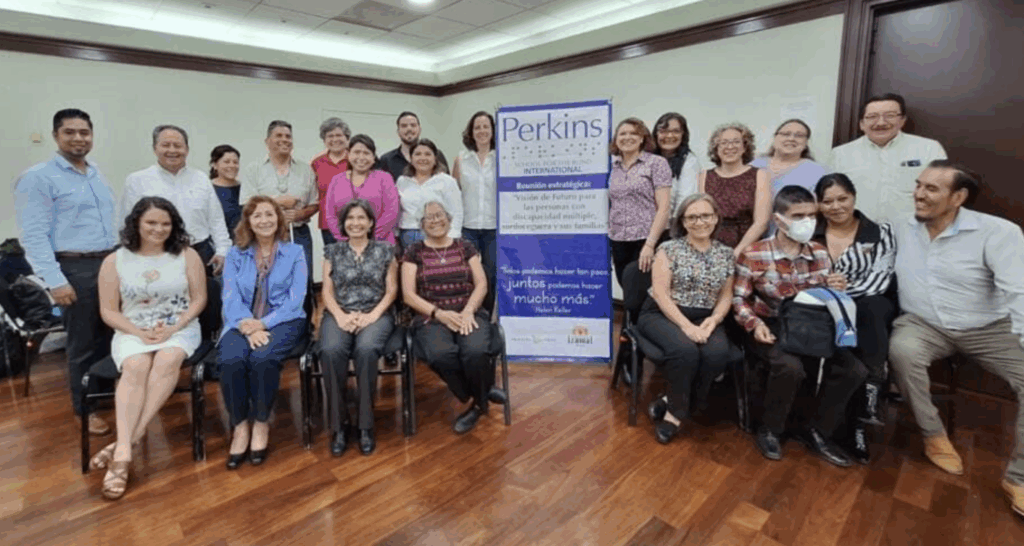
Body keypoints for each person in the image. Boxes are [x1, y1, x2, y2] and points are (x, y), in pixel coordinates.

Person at [887, 160, 1024, 516]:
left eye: (931, 189)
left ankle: (1020, 479)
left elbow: (1019, 292)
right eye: (918, 185)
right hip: (923, 323)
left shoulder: (998, 233)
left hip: (989, 328)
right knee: (902, 351)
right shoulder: (900, 226)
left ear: (958, 197)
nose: (919, 194)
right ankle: (933, 435)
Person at [733, 185, 867, 467]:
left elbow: (823, 296)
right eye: (798, 216)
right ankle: (771, 429)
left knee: (854, 369)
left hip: (809, 323)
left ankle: (818, 430)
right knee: (790, 367)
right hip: (769, 322)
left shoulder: (819, 253)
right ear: (779, 219)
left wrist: (836, 288)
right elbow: (739, 299)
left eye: (811, 215)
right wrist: (754, 324)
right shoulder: (754, 253)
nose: (807, 222)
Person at [91, 197, 206, 500]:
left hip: (178, 327)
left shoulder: (187, 255)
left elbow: (199, 300)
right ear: (137, 224)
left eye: (166, 223)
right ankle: (127, 443)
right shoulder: (114, 261)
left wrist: (175, 326)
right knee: (136, 365)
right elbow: (108, 311)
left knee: (168, 359)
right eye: (151, 222)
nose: (159, 229)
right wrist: (137, 332)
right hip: (132, 329)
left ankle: (124, 447)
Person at [14, 108, 117, 436]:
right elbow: (33, 236)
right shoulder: (39, 178)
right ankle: (84, 409)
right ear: (56, 135)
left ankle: (103, 393)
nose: (78, 138)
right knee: (83, 341)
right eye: (70, 132)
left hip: (108, 263)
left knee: (109, 334)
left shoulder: (95, 173)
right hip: (73, 267)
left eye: (84, 132)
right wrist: (55, 281)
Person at [637, 193, 737, 444]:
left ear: (716, 218)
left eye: (705, 215)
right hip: (662, 313)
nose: (699, 222)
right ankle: (675, 415)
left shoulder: (727, 254)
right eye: (691, 217)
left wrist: (715, 319)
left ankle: (671, 399)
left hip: (706, 316)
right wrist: (687, 327)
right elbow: (660, 294)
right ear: (682, 221)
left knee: (717, 355)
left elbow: (726, 295)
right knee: (685, 351)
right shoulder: (668, 249)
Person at [811, 173, 897, 464]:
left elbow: (880, 280)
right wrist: (827, 290)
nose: (836, 206)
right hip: (824, 307)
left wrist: (844, 291)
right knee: (849, 359)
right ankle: (854, 415)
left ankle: (863, 407)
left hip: (866, 308)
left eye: (842, 199)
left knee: (872, 308)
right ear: (819, 204)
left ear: (854, 197)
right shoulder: (811, 232)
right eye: (827, 201)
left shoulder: (879, 231)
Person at [218, 195, 308, 470]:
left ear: (278, 220)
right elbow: (230, 297)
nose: (264, 220)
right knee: (231, 359)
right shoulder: (235, 254)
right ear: (248, 222)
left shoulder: (295, 252)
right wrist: (247, 325)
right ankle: (239, 426)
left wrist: (263, 324)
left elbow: (295, 301)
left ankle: (260, 422)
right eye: (257, 215)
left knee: (262, 358)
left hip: (283, 321)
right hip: (240, 321)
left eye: (270, 214)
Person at [402, 201, 504, 434]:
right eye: (429, 217)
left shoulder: (465, 246)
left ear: (449, 219)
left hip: (469, 311)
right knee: (439, 354)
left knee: (475, 351)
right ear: (421, 224)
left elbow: (481, 284)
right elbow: (408, 295)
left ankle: (477, 405)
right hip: (432, 316)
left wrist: (468, 310)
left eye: (440, 215)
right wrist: (439, 314)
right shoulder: (413, 251)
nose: (436, 220)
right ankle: (481, 393)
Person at [320, 200, 398, 457]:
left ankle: (365, 426)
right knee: (331, 351)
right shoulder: (332, 251)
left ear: (371, 222)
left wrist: (372, 316)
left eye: (361, 218)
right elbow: (327, 291)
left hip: (376, 314)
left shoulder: (386, 250)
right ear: (343, 224)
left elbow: (392, 290)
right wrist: (341, 316)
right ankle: (339, 426)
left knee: (366, 350)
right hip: (339, 313)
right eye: (350, 218)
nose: (356, 223)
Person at [123, 125, 232, 277]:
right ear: (155, 148)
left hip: (200, 251)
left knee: (205, 292)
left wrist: (223, 251)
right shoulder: (137, 180)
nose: (172, 150)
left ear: (187, 149)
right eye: (166, 145)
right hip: (156, 254)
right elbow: (128, 224)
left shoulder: (201, 179)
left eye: (178, 145)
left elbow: (216, 220)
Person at [829, 93, 947, 223]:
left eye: (890, 115)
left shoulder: (929, 148)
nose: (881, 122)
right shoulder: (840, 154)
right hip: (859, 229)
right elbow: (832, 196)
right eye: (872, 117)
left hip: (914, 229)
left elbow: (944, 191)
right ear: (862, 124)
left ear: (902, 120)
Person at [241, 120, 318, 279]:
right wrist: (278, 202)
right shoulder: (253, 170)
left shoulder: (306, 170)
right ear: (267, 141)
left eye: (288, 136)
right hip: (264, 235)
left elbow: (314, 203)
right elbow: (246, 205)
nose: (284, 140)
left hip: (298, 234)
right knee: (267, 280)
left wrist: (301, 214)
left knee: (302, 279)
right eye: (279, 136)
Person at [607, 117, 673, 286]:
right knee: (626, 287)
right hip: (619, 240)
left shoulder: (656, 163)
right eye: (622, 134)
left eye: (633, 133)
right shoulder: (612, 167)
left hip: (647, 238)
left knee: (644, 291)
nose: (627, 137)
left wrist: (650, 245)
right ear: (616, 139)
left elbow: (664, 208)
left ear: (642, 138)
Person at [699, 123, 771, 257]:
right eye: (724, 143)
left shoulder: (760, 175)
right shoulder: (704, 176)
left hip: (748, 247)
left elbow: (761, 222)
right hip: (712, 247)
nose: (730, 147)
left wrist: (737, 252)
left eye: (736, 142)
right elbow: (702, 217)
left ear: (745, 147)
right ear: (716, 148)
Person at [452, 111, 497, 313]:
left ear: (493, 130)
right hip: (467, 227)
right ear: (470, 132)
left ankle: (488, 317)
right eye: (477, 127)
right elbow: (454, 195)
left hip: (494, 227)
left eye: (486, 126)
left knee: (491, 274)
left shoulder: (502, 158)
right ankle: (469, 313)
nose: (482, 131)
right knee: (467, 274)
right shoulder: (461, 159)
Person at [322, 134, 399, 245]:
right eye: (357, 152)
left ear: (373, 157)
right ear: (348, 155)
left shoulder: (384, 178)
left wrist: (369, 239)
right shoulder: (336, 180)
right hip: (345, 245)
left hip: (380, 244)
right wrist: (345, 239)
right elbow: (330, 215)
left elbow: (391, 212)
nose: (361, 157)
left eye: (366, 153)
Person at [395, 139, 463, 248]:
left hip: (438, 234)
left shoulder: (446, 181)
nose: (423, 158)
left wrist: (452, 238)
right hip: (408, 234)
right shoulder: (402, 181)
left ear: (435, 159)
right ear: (411, 159)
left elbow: (457, 212)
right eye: (417, 154)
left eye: (427, 154)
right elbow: (397, 210)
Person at [750, 119, 830, 196]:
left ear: (806, 143)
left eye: (799, 136)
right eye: (786, 134)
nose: (791, 139)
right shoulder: (754, 164)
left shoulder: (818, 172)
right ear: (775, 138)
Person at [653, 112, 702, 217]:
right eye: (664, 131)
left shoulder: (689, 161)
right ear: (656, 134)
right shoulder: (646, 158)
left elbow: (684, 200)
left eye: (676, 131)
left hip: (671, 222)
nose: (670, 135)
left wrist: (671, 225)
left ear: (683, 135)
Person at [311, 117, 351, 246]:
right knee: (332, 258)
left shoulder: (356, 159)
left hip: (354, 222)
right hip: (328, 225)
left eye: (339, 135)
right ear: (324, 140)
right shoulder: (317, 163)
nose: (335, 139)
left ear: (347, 138)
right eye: (330, 136)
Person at [377, 111, 449, 182]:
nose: (409, 129)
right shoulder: (386, 160)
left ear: (419, 129)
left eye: (413, 125)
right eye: (404, 126)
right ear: (398, 131)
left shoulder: (437, 154)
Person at [210, 144, 242, 239]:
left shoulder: (245, 188)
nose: (232, 165)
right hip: (216, 243)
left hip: (242, 243)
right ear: (214, 165)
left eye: (235, 162)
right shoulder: (207, 189)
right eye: (226, 162)